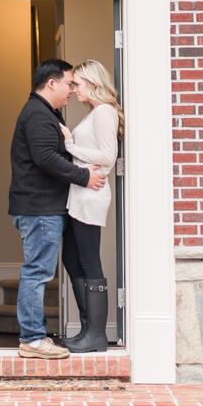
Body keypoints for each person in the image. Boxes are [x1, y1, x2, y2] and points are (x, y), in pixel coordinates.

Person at [8, 57, 107, 360]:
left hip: (45, 208)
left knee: (39, 271)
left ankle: (37, 336)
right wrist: (84, 176)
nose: (71, 90)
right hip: (40, 209)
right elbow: (46, 158)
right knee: (37, 272)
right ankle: (33, 339)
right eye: (68, 83)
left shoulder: (45, 113)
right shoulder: (38, 114)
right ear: (51, 83)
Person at [59, 60, 124, 353]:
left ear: (93, 83)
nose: (74, 88)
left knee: (88, 261)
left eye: (77, 83)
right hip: (80, 195)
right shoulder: (94, 113)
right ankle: (88, 329)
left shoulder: (105, 112)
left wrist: (71, 146)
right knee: (72, 261)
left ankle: (96, 335)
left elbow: (108, 156)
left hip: (92, 194)